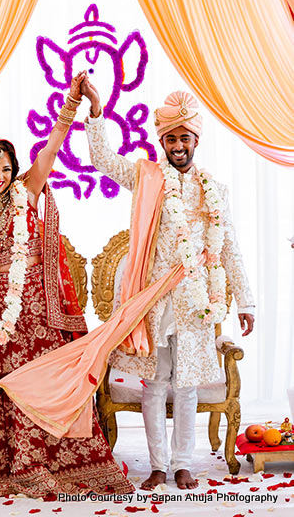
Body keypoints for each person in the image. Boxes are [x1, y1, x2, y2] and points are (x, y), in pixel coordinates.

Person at [0, 72, 134, 500]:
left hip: (36, 309)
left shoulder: (28, 191)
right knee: (5, 384)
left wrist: (74, 103)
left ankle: (50, 460)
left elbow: (52, 148)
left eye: (6, 168)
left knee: (43, 381)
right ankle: (14, 463)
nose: (0, 176)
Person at [81, 78, 255, 490]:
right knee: (156, 383)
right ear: (162, 140)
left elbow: (229, 247)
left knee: (188, 384)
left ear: (196, 141)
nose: (178, 145)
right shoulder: (147, 178)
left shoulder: (216, 190)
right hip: (155, 303)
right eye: (171, 138)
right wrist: (96, 111)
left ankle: (183, 464)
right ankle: (158, 465)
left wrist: (246, 300)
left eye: (185, 138)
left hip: (196, 303)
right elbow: (104, 159)